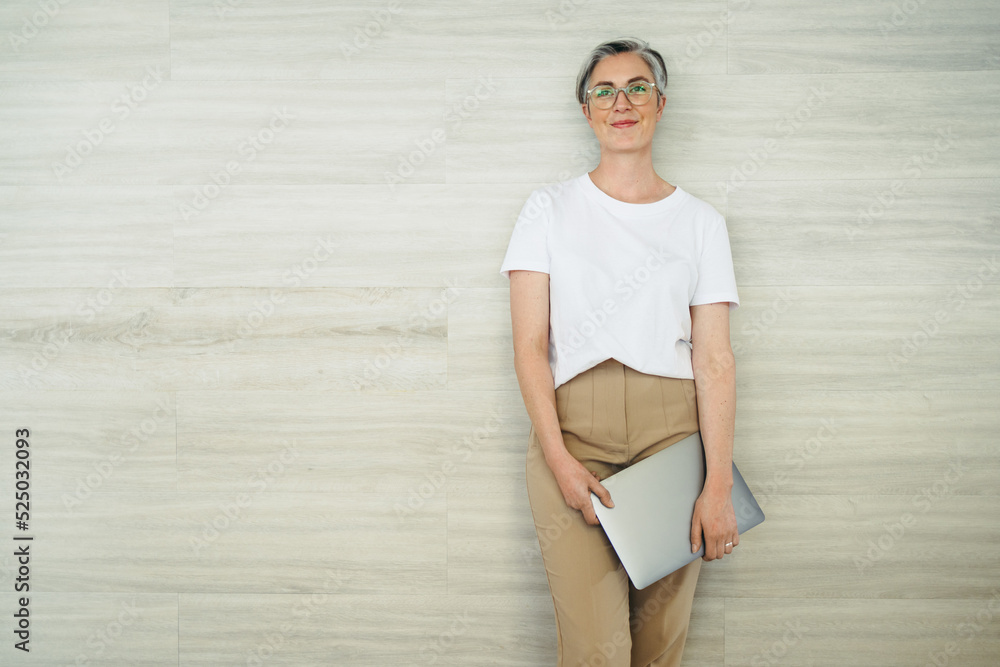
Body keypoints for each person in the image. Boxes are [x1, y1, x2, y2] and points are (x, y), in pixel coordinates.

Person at [499, 37, 741, 666]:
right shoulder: (547, 210)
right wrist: (558, 459)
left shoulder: (701, 223)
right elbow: (529, 346)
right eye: (603, 91)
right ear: (586, 112)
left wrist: (716, 487)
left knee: (660, 648)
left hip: (672, 440)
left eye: (636, 87)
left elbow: (714, 361)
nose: (621, 102)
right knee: (596, 651)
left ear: (660, 103)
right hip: (574, 437)